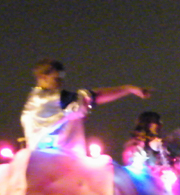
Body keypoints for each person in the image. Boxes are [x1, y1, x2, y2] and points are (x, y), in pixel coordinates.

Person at [21, 58, 150, 150]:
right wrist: (127, 89)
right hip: (59, 163)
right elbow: (94, 96)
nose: (60, 83)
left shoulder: (31, 103)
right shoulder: (55, 98)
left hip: (35, 164)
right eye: (57, 78)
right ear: (43, 77)